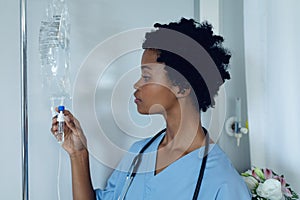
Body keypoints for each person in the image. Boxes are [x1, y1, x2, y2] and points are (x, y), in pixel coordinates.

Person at [51, 18, 251, 200]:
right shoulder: (139, 154)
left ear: (182, 87)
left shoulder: (222, 183)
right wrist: (78, 154)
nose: (137, 84)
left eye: (146, 77)